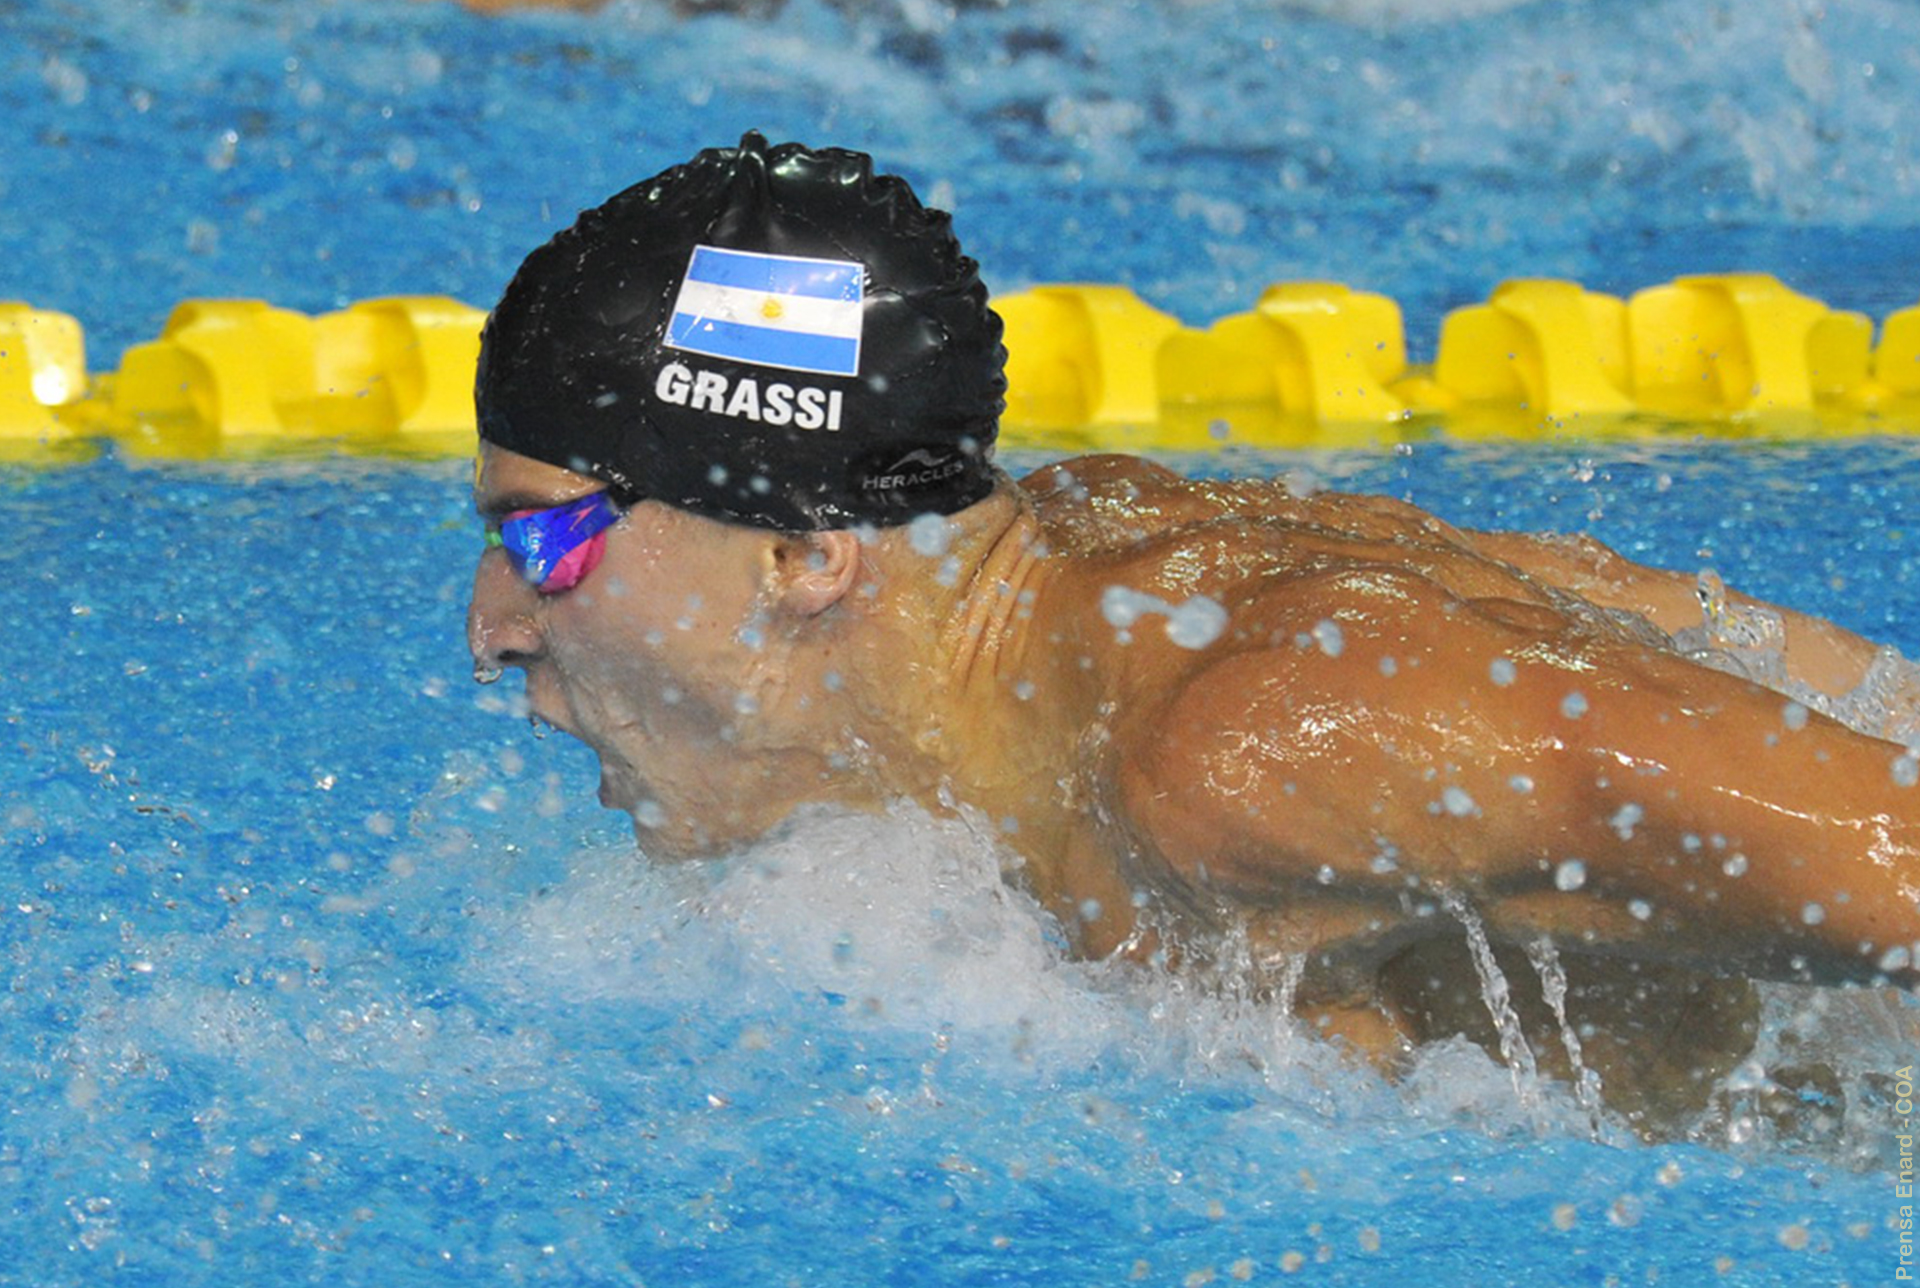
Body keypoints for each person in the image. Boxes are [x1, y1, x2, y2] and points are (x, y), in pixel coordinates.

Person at [468, 133, 1918, 1123]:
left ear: (801, 552)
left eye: (541, 537)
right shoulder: (1069, 569)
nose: (494, 631)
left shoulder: (1249, 750)